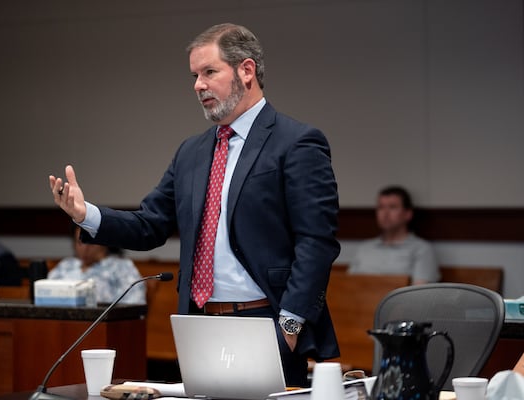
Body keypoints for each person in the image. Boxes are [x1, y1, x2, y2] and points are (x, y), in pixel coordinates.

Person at [49, 23, 340, 387]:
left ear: (246, 71)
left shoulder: (296, 143)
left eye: (209, 72)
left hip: (268, 323)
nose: (197, 85)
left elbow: (317, 243)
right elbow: (150, 224)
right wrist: (85, 214)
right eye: (194, 75)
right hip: (199, 323)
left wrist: (290, 326)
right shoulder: (191, 152)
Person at [348, 185, 439, 284]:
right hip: (360, 298)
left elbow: (419, 293)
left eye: (392, 207)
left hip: (400, 299)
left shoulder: (421, 249)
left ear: (407, 214)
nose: (385, 213)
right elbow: (348, 285)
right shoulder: (364, 248)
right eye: (381, 207)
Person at [48, 225, 146, 305]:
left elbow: (134, 304)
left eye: (91, 243)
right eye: (80, 243)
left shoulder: (122, 268)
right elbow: (45, 296)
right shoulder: (65, 266)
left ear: (105, 242)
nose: (85, 249)